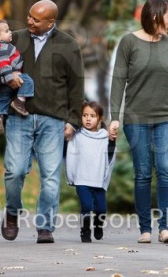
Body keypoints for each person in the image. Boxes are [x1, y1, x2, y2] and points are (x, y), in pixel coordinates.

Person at [0, 0, 85, 244]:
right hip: (20, 117)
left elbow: (76, 87)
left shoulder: (68, 45)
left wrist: (73, 121)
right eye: (29, 16)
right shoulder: (12, 38)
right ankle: (12, 212)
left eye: (36, 19)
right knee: (15, 171)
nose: (29, 21)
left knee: (50, 177)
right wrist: (7, 77)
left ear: (51, 22)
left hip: (53, 120)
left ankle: (45, 227)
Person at [108, 0, 168, 244]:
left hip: (166, 116)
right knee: (143, 173)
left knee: (165, 169)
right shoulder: (128, 42)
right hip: (136, 118)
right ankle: (145, 228)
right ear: (156, 17)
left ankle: (164, 227)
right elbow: (117, 81)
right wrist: (114, 117)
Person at [65, 101, 116, 243]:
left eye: (92, 116)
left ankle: (98, 225)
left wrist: (112, 141)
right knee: (86, 206)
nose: (88, 119)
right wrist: (71, 176)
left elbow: (110, 156)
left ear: (99, 119)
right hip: (82, 179)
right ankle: (85, 231)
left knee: (101, 209)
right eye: (85, 115)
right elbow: (70, 155)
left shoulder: (105, 136)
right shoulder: (77, 135)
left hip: (98, 179)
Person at [0, 19, 35, 135]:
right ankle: (19, 102)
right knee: (28, 81)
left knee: (3, 99)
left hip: (3, 82)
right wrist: (10, 78)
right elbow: (3, 65)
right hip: (11, 76)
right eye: (7, 31)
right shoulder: (3, 49)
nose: (10, 32)